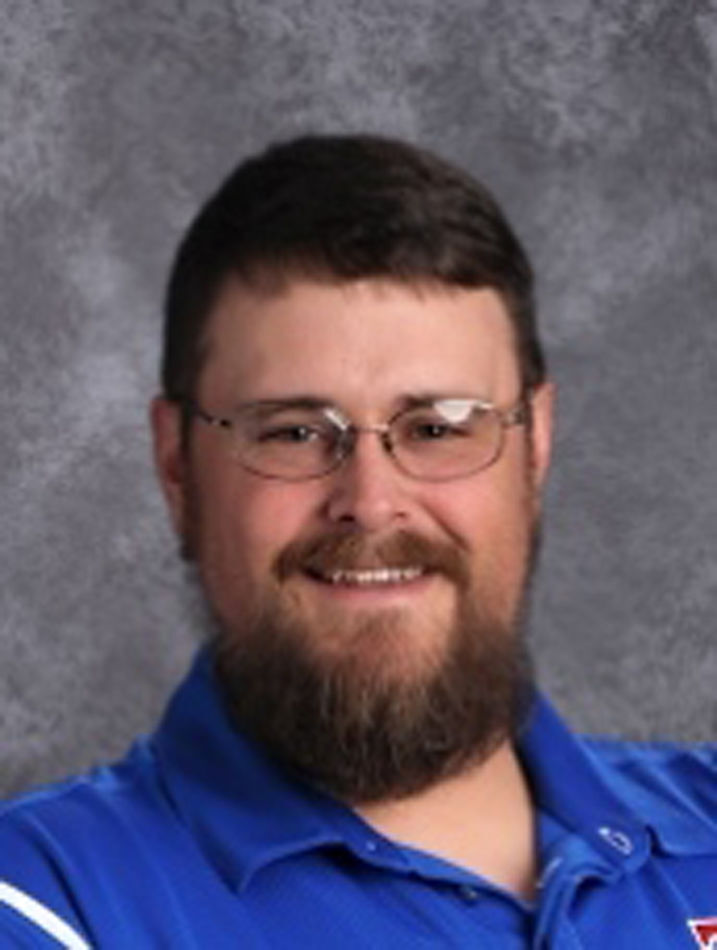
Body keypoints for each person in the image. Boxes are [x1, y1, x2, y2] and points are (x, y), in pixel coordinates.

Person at [1, 134, 716, 950]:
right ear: (177, 466)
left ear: (536, 444)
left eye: (437, 427)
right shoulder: (44, 904)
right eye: (293, 432)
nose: (371, 504)